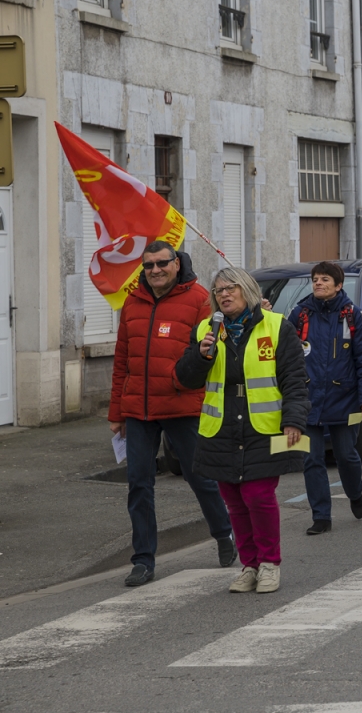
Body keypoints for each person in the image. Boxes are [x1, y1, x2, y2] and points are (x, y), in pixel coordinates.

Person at [175, 267, 309, 593]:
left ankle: (269, 563)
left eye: (231, 288)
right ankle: (248, 565)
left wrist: (294, 420)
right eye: (218, 290)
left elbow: (294, 378)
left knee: (258, 496)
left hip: (263, 426)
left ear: (247, 290)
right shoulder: (206, 330)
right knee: (233, 501)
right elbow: (185, 377)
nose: (224, 294)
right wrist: (202, 356)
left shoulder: (276, 326)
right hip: (220, 428)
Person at [108, 242, 234, 587]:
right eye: (148, 265)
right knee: (138, 485)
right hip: (138, 410)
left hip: (182, 406)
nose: (155, 270)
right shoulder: (132, 301)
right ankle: (143, 560)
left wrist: (182, 379)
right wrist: (116, 412)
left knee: (201, 479)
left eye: (162, 263)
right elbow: (122, 360)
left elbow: (207, 353)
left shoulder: (198, 300)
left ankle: (224, 534)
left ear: (177, 264)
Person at [287, 262, 362, 536]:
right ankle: (321, 516)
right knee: (311, 459)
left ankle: (355, 492)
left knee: (346, 455)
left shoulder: (354, 316)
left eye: (325, 279)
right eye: (315, 279)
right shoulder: (299, 315)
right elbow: (284, 352)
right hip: (308, 400)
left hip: (344, 398)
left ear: (338, 285)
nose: (318, 283)